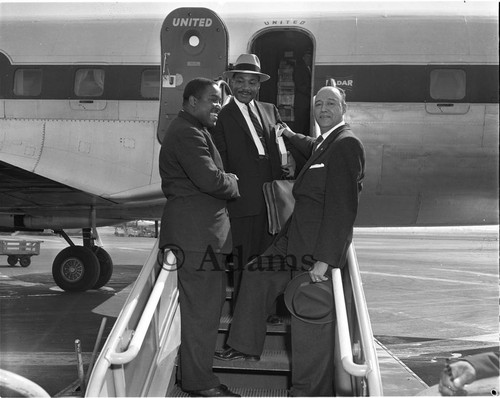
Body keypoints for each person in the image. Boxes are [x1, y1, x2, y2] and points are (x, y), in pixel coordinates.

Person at [215, 84, 366, 397]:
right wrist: (286, 134)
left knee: (308, 322)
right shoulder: (326, 142)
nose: (323, 109)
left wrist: (325, 259)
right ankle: (245, 346)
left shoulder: (347, 144)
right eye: (319, 104)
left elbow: (343, 208)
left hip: (312, 250)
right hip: (291, 241)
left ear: (343, 108)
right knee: (256, 273)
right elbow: (310, 145)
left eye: (330, 104)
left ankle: (306, 391)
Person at [159, 77, 240, 397]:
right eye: (212, 99)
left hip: (198, 238)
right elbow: (211, 180)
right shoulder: (189, 133)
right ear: (192, 101)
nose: (218, 105)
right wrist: (232, 181)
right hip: (197, 240)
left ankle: (197, 376)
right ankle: (198, 382)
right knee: (202, 316)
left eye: (219, 100)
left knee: (202, 314)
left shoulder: (193, 130)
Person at [211, 53, 295, 303]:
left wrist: (290, 160)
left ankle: (268, 313)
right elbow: (220, 160)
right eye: (241, 81)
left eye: (252, 82)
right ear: (232, 83)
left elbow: (283, 145)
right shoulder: (221, 117)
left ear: (259, 85)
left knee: (269, 265)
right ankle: (241, 328)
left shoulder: (270, 110)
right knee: (244, 267)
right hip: (242, 204)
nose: (246, 88)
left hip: (272, 204)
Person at [293, 48, 312, 134]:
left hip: (307, 103)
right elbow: (300, 86)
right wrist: (311, 93)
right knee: (300, 125)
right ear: (303, 58)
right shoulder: (299, 68)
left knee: (306, 125)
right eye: (307, 57)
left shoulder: (310, 68)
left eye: (310, 57)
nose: (309, 59)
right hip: (301, 103)